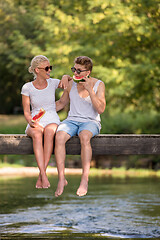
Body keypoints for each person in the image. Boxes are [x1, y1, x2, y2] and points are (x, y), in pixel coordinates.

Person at [55, 56, 106, 197]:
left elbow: (101, 109)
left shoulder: (98, 84)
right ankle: (61, 178)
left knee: (84, 136)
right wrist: (40, 110)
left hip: (91, 121)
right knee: (59, 136)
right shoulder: (71, 83)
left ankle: (85, 179)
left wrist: (90, 90)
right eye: (74, 69)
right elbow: (61, 103)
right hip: (71, 120)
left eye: (79, 71)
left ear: (88, 72)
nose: (75, 73)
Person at [21, 55, 69, 189]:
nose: (49, 70)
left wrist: (65, 76)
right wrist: (30, 121)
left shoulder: (53, 83)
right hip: (36, 119)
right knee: (37, 134)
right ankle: (43, 174)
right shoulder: (27, 87)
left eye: (50, 67)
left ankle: (41, 175)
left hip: (52, 118)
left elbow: (69, 81)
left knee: (49, 132)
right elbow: (26, 111)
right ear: (37, 70)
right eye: (47, 68)